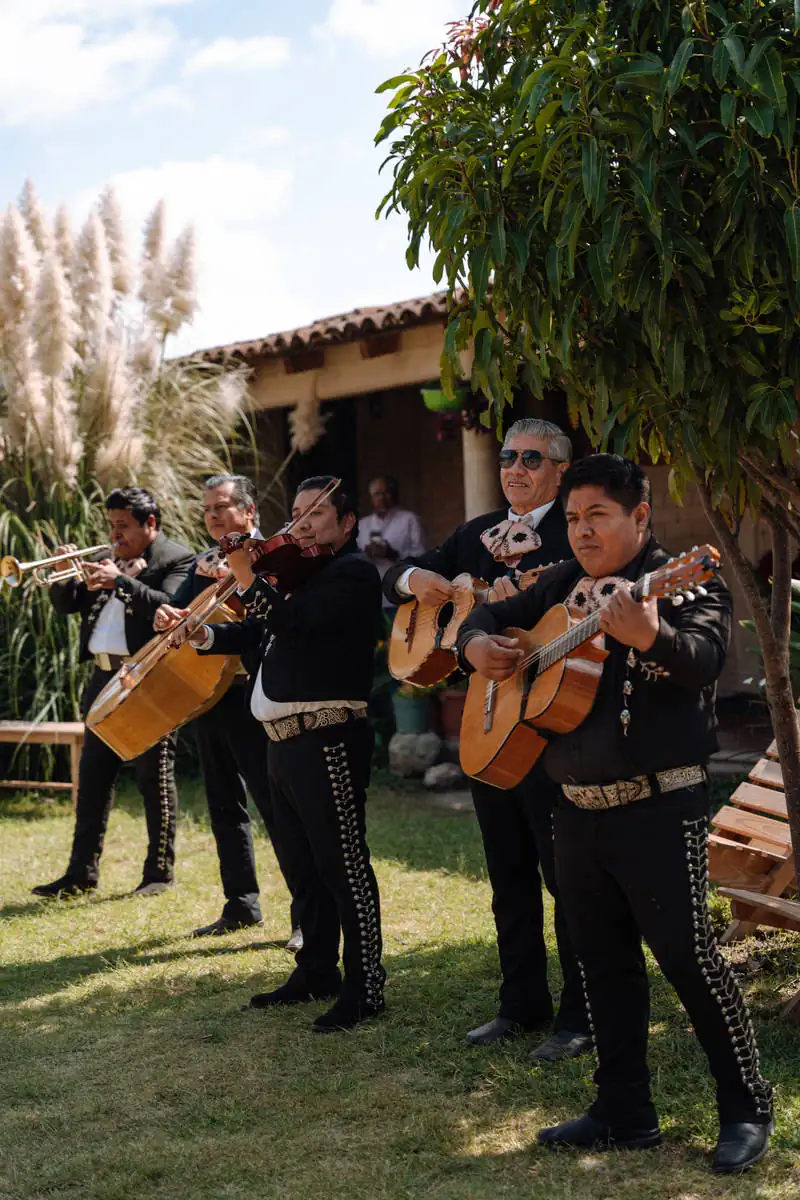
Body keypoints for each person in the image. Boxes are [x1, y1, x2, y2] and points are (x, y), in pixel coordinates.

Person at [457, 454, 772, 1175]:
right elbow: (482, 615)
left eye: (596, 515)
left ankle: (747, 1108)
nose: (581, 530)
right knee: (602, 970)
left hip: (661, 807)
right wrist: (477, 645)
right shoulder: (563, 580)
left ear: (640, 516)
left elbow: (703, 660)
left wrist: (648, 634)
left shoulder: (687, 579)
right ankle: (623, 1112)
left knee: (690, 962)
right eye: (571, 518)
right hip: (575, 810)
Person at [384, 418, 591, 1060]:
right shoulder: (475, 533)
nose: (516, 468)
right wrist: (413, 581)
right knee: (507, 873)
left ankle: (580, 1015)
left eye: (533, 458)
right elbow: (408, 574)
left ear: (559, 469)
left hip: (553, 724)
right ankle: (520, 1004)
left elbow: (588, 610)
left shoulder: (575, 530)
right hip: (488, 718)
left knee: (568, 879)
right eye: (507, 457)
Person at [188, 476, 386, 1032]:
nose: (300, 524)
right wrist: (204, 637)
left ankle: (365, 984)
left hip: (328, 738)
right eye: (296, 513)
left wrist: (246, 574)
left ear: (346, 523)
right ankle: (317, 970)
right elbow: (260, 634)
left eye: (316, 514)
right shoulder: (299, 574)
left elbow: (290, 622)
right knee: (304, 868)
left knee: (342, 864)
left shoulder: (352, 572)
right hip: (282, 741)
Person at [153, 474, 300, 946]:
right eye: (208, 510)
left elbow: (272, 619)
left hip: (254, 695)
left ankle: (305, 915)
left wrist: (241, 577)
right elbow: (177, 616)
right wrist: (167, 615)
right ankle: (241, 903)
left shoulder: (275, 557)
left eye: (222, 507)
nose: (214, 516)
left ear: (250, 512)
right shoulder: (202, 562)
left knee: (276, 807)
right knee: (223, 804)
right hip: (209, 697)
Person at [32, 487, 194, 899]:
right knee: (93, 777)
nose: (114, 534)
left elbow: (172, 608)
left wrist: (121, 581)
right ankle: (80, 874)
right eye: (111, 525)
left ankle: (158, 874)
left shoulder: (176, 559)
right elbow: (68, 604)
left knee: (152, 776)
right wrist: (69, 572)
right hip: (101, 679)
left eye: (123, 526)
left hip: (146, 679)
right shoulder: (110, 558)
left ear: (150, 524)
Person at [357, 475, 425, 606]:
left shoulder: (409, 520)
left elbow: (422, 555)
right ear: (371, 497)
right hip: (372, 596)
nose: (382, 498)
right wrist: (366, 554)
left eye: (386, 493)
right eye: (377, 494)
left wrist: (392, 554)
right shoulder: (362, 525)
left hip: (401, 593)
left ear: (393, 494)